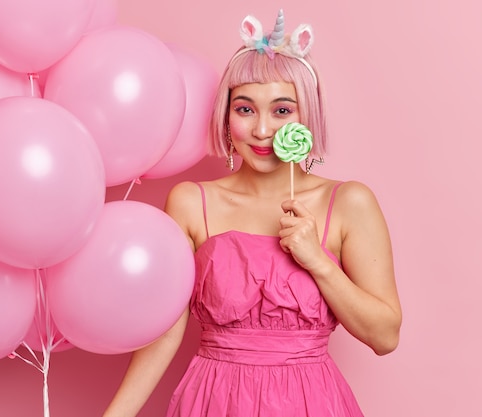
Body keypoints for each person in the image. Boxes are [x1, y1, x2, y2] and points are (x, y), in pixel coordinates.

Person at [103, 9, 402, 417]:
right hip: (214, 401)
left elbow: (385, 336)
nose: (262, 131)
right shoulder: (191, 202)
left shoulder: (350, 203)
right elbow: (164, 334)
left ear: (307, 118)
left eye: (282, 111)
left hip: (310, 403)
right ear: (226, 118)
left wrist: (319, 263)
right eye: (245, 110)